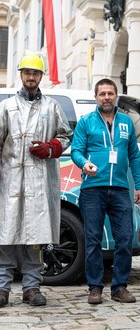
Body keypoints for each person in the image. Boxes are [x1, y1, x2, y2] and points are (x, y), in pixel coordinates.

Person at [0, 54, 72, 308]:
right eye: (27, 72)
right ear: (21, 74)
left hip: (40, 182)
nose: (31, 76)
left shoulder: (51, 107)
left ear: (41, 76)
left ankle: (32, 287)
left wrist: (52, 148)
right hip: (10, 181)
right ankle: (2, 288)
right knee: (7, 236)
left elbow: (65, 135)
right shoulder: (6, 107)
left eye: (36, 73)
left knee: (35, 237)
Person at [71, 78, 140, 305]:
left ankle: (120, 287)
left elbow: (133, 156)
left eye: (110, 93)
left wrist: (139, 185)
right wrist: (84, 164)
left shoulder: (126, 123)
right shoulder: (86, 122)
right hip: (93, 189)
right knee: (92, 239)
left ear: (116, 96)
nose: (106, 97)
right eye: (102, 94)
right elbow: (76, 150)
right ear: (96, 97)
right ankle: (95, 288)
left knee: (125, 238)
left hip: (121, 189)